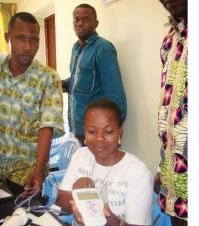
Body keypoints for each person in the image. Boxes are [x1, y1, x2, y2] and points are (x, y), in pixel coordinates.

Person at [56, 98, 153, 225]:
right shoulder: (80, 156)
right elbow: (60, 203)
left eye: (108, 131)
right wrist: (76, 194)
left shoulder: (137, 172)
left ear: (119, 132)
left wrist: (103, 216)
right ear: (84, 131)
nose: (99, 138)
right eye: (92, 131)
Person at [0, 12, 64, 193]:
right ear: (8, 38)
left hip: (25, 174)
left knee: (23, 218)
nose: (28, 46)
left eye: (34, 40)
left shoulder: (48, 78)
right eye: (21, 38)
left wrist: (38, 171)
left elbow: (47, 127)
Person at [62, 4, 126, 145]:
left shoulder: (103, 48)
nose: (80, 23)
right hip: (78, 126)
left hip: (98, 130)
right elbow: (82, 79)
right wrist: (66, 83)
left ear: (95, 23)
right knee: (83, 166)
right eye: (76, 20)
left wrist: (115, 129)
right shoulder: (75, 48)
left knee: (100, 167)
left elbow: (115, 91)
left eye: (85, 19)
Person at [154, 0, 188, 225]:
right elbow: (166, 101)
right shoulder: (170, 38)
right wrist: (161, 164)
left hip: (191, 152)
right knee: (175, 213)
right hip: (170, 157)